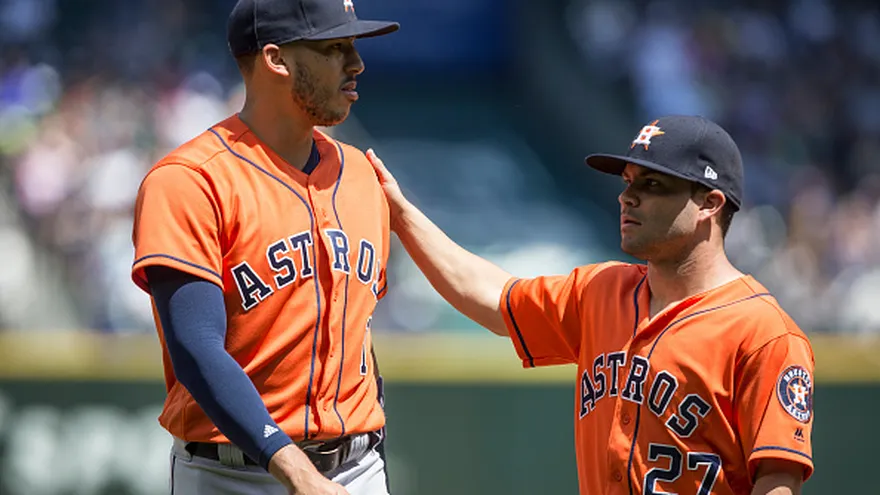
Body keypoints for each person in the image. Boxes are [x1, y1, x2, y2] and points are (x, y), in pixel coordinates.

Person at [366, 115, 815, 495]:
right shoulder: (601, 290)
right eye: (627, 182)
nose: (627, 196)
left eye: (653, 183)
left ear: (709, 203)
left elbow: (777, 481)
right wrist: (401, 215)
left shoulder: (764, 333)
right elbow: (491, 296)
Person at [130, 0, 398, 493]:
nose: (356, 64)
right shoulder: (190, 181)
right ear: (276, 60)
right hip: (231, 472)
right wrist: (295, 470)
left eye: (354, 47)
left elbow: (357, 331)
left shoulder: (361, 175)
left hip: (359, 466)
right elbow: (195, 347)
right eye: (335, 48)